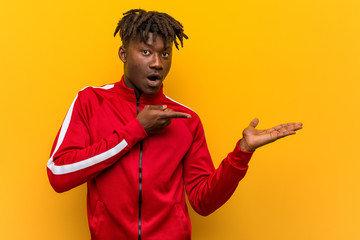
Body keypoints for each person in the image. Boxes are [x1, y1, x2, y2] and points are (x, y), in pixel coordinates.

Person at [47, 9, 303, 240]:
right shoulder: (91, 101)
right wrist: (136, 130)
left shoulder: (185, 119)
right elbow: (58, 174)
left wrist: (242, 153)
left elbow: (203, 202)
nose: (157, 62)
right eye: (146, 52)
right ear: (123, 54)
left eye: (165, 53)